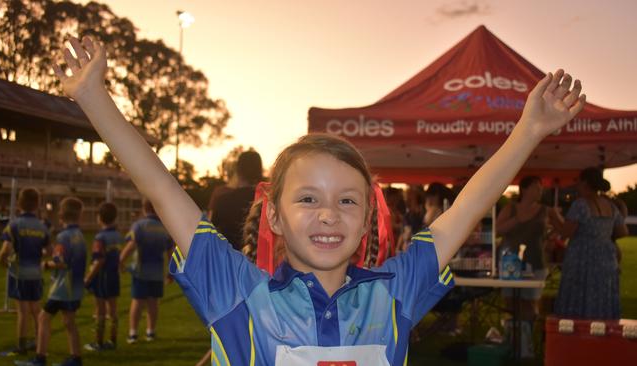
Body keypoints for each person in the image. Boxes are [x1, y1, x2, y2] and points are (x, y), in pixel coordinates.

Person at [52, 35, 585, 365]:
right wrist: (95, 97)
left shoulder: (393, 294)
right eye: (308, 198)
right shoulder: (236, 291)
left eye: (348, 201)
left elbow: (464, 210)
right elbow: (164, 190)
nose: (329, 213)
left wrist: (530, 129)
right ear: (276, 219)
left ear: (367, 219)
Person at [16, 197, 87, 366]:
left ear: (62, 215)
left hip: (62, 288)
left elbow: (61, 261)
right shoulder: (80, 236)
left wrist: (45, 264)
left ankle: (40, 358)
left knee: (43, 318)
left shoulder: (63, 237)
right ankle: (76, 358)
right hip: (75, 288)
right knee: (69, 322)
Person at [552, 167, 629, 319]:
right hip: (607, 259)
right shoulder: (611, 206)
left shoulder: (580, 205)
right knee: (602, 297)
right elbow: (623, 231)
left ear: (585, 183)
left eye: (578, 181)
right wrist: (603, 234)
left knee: (578, 297)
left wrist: (553, 216)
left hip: (582, 258)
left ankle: (577, 335)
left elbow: (567, 232)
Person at [496, 176, 552, 357]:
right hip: (510, 262)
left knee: (530, 302)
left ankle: (525, 343)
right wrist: (517, 220)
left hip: (535, 262)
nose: (540, 191)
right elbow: (498, 229)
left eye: (540, 188)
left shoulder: (545, 210)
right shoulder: (511, 208)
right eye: (536, 187)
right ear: (524, 190)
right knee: (511, 302)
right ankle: (512, 341)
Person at [0, 188, 51, 356]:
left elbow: (5, 250)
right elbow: (49, 250)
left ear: (19, 204)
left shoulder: (14, 224)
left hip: (19, 273)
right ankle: (38, 343)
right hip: (35, 274)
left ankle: (21, 345)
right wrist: (39, 254)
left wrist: (2, 261)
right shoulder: (42, 226)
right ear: (37, 205)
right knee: (36, 310)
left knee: (22, 311)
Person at [119, 199, 174, 344]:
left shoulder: (139, 226)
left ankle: (133, 333)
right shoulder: (165, 228)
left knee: (137, 301)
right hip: (157, 272)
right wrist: (170, 272)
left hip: (140, 271)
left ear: (144, 209)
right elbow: (170, 252)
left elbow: (131, 245)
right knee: (153, 302)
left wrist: (121, 261)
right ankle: (150, 332)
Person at [83, 202, 123, 351]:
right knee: (113, 309)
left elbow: (99, 260)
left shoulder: (100, 237)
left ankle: (98, 342)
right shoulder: (118, 236)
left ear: (99, 217)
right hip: (114, 276)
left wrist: (88, 278)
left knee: (100, 310)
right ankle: (113, 340)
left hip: (102, 277)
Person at [210, 150, 263, 251]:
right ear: (259, 171)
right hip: (260, 263)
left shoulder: (222, 201)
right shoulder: (269, 202)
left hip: (228, 263)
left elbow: (211, 234)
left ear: (238, 171)